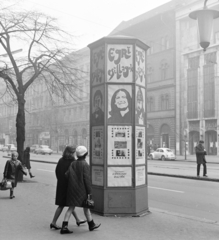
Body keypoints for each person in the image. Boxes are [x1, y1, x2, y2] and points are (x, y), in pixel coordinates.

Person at [60, 146, 101, 234]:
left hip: (72, 190)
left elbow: (67, 175)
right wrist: (89, 192)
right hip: (82, 191)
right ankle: (91, 224)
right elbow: (87, 180)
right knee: (86, 207)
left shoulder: (73, 163)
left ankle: (64, 226)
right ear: (85, 154)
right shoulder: (85, 164)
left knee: (71, 208)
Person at [50, 146, 86, 230]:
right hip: (69, 186)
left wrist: (60, 180)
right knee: (63, 205)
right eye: (73, 152)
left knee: (69, 204)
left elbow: (57, 172)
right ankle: (53, 222)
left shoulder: (61, 160)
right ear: (71, 153)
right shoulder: (73, 162)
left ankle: (78, 220)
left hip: (61, 185)